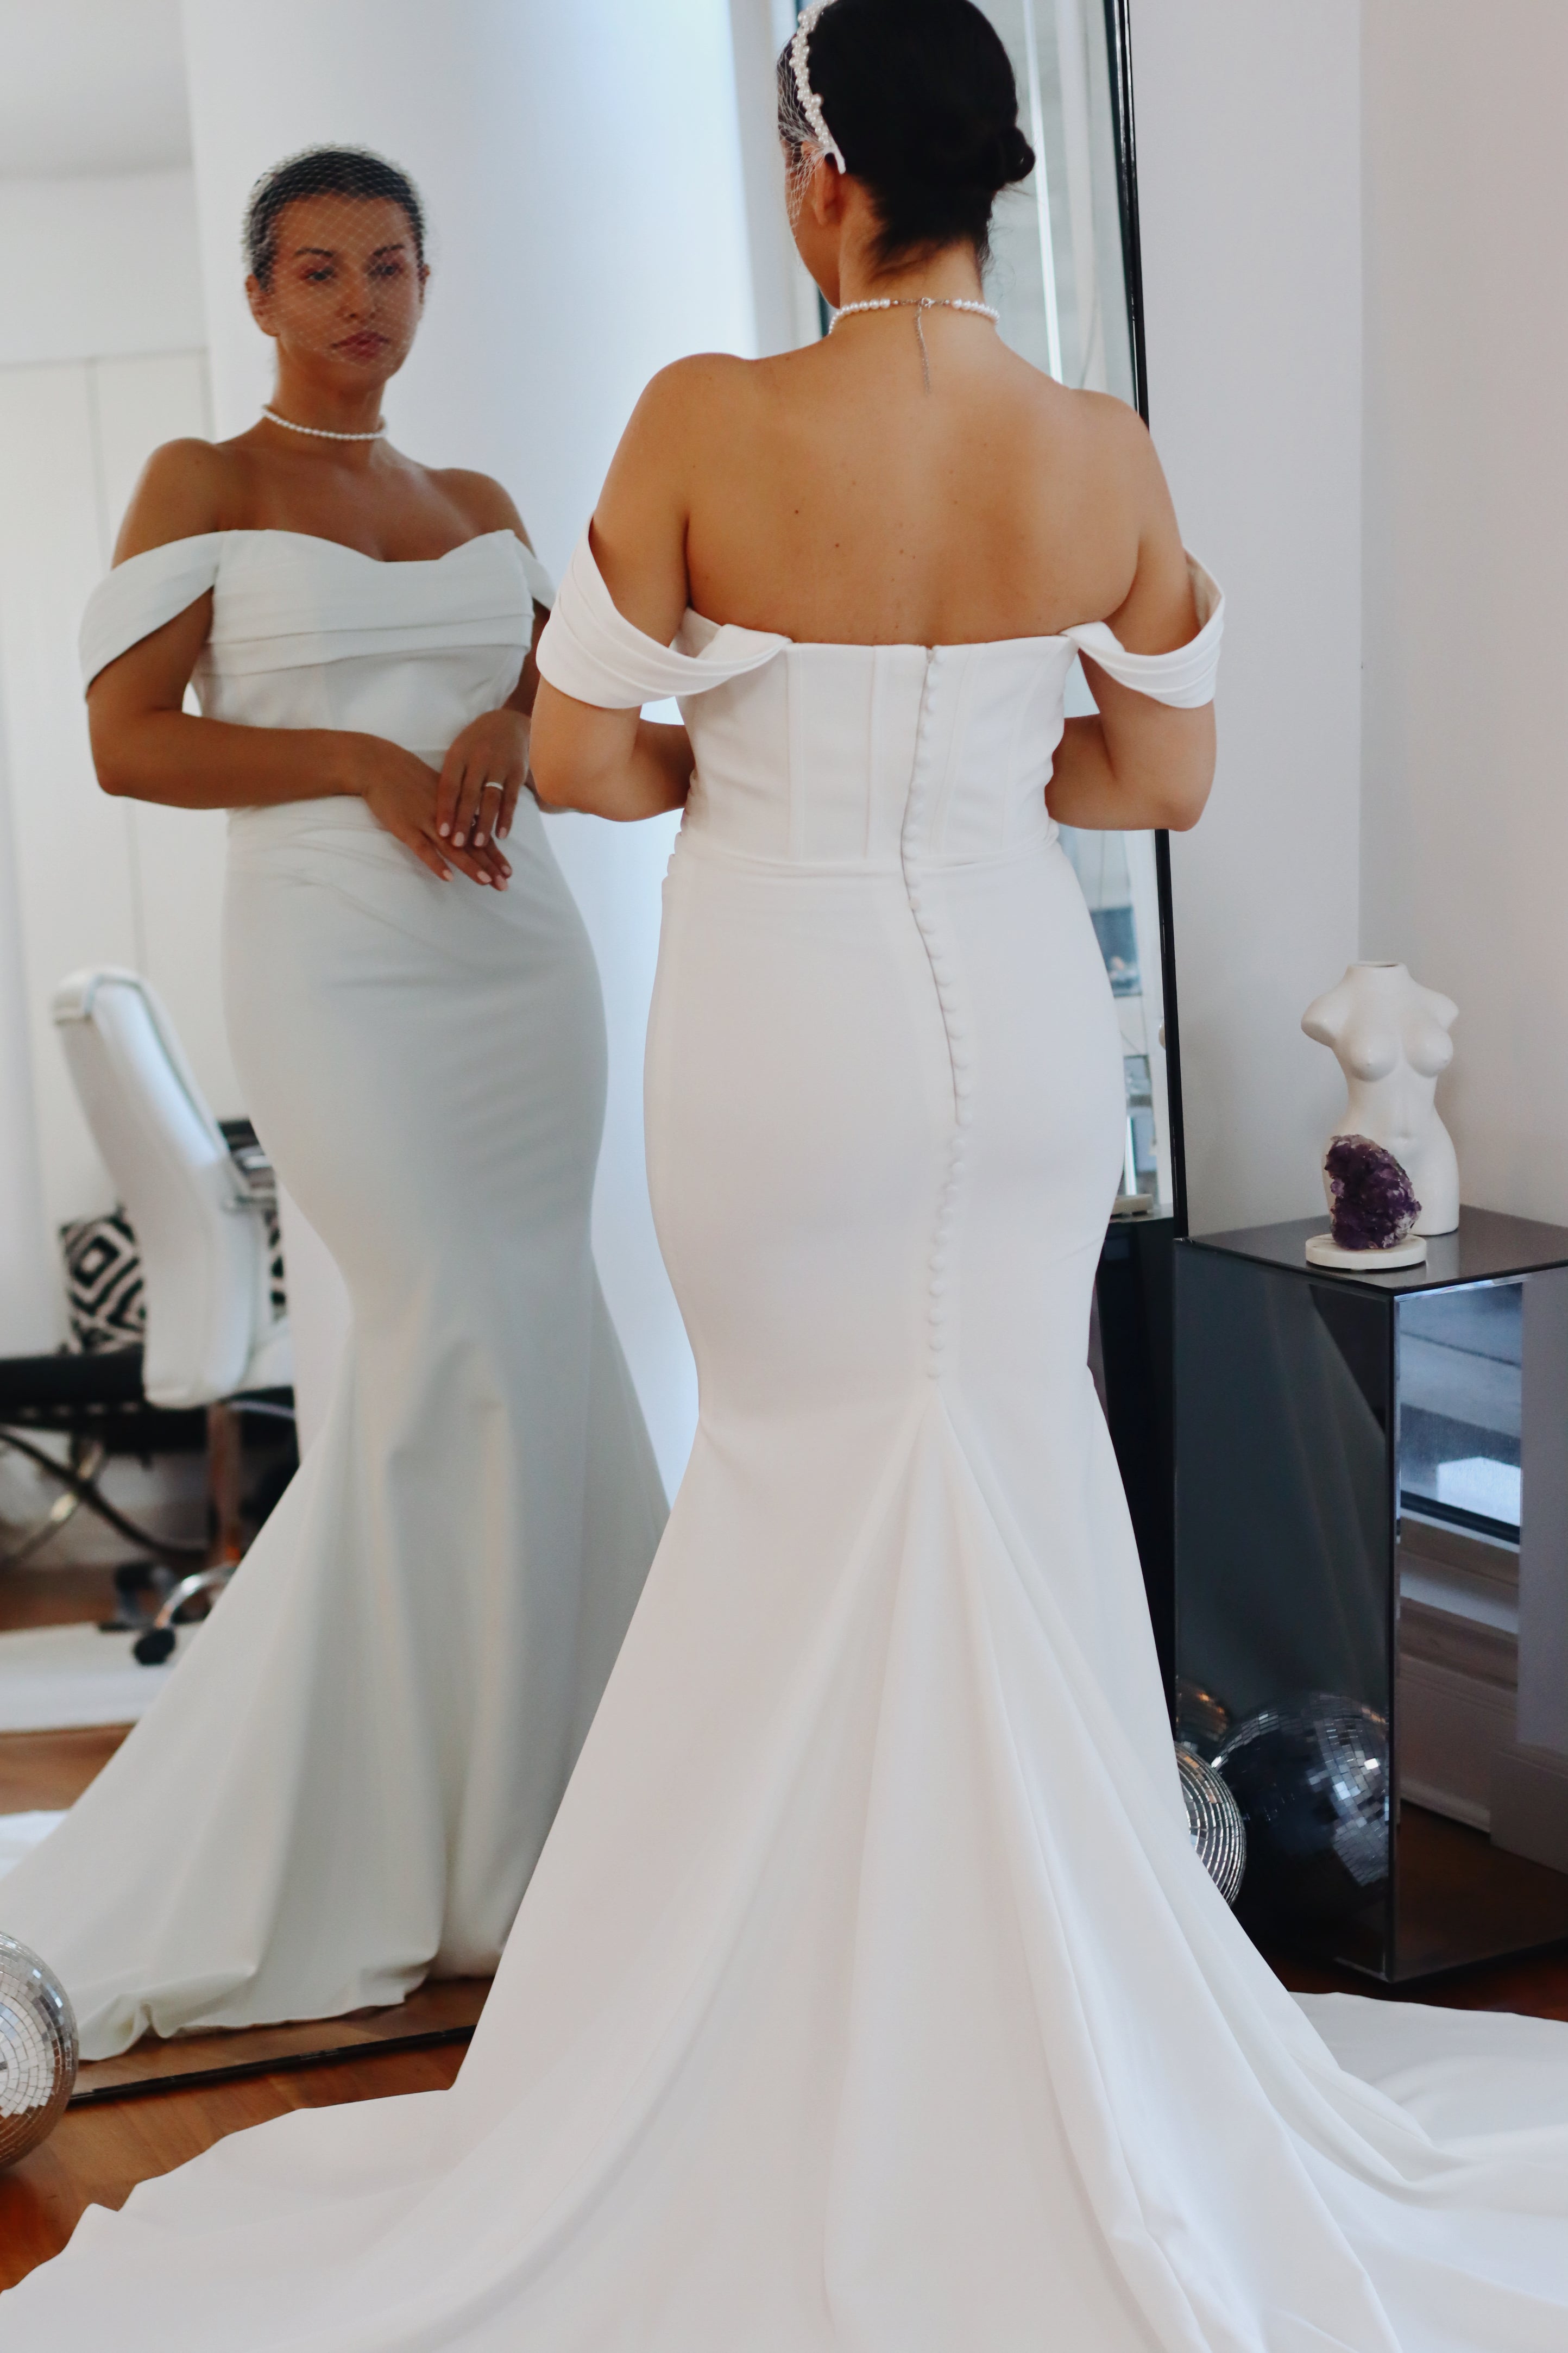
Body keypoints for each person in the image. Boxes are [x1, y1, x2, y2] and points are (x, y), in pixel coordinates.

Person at [7, 10, 1568, 2344]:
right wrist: (971, 766)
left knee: (792, 1476)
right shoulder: (1100, 447)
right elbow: (1157, 781)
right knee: (1006, 1454)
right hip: (1015, 1030)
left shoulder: (704, 419)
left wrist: (763, 749)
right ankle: (1047, 2031)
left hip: (787, 1029)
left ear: (821, 178)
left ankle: (780, 2038)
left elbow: (587, 763)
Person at [0, 147, 666, 2061]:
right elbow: (129, 741)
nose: (359, 301)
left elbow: (572, 713)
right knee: (443, 1328)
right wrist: (365, 761)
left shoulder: (483, 506)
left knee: (540, 1334)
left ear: (428, 285)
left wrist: (507, 723)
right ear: (261, 296)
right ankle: (401, 1832)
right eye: (318, 270)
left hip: (516, 962)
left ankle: (577, 1817)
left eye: (389, 267)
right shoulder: (201, 482)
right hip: (335, 964)